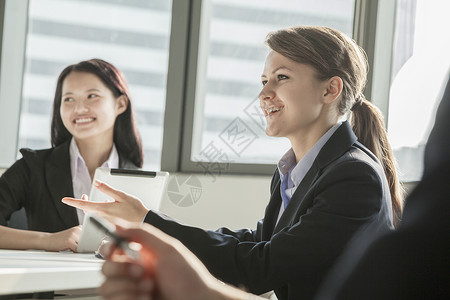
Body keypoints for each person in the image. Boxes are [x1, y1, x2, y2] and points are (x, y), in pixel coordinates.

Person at [63, 26, 403, 299]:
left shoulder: (354, 176)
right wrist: (148, 223)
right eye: (263, 80)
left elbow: (260, 268)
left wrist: (151, 225)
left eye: (281, 78)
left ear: (330, 90)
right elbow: (259, 242)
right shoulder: (296, 171)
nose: (264, 94)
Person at [0, 58, 144, 252]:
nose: (78, 109)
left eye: (92, 96)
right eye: (68, 99)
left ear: (120, 104)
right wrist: (46, 240)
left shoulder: (138, 178)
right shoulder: (32, 166)